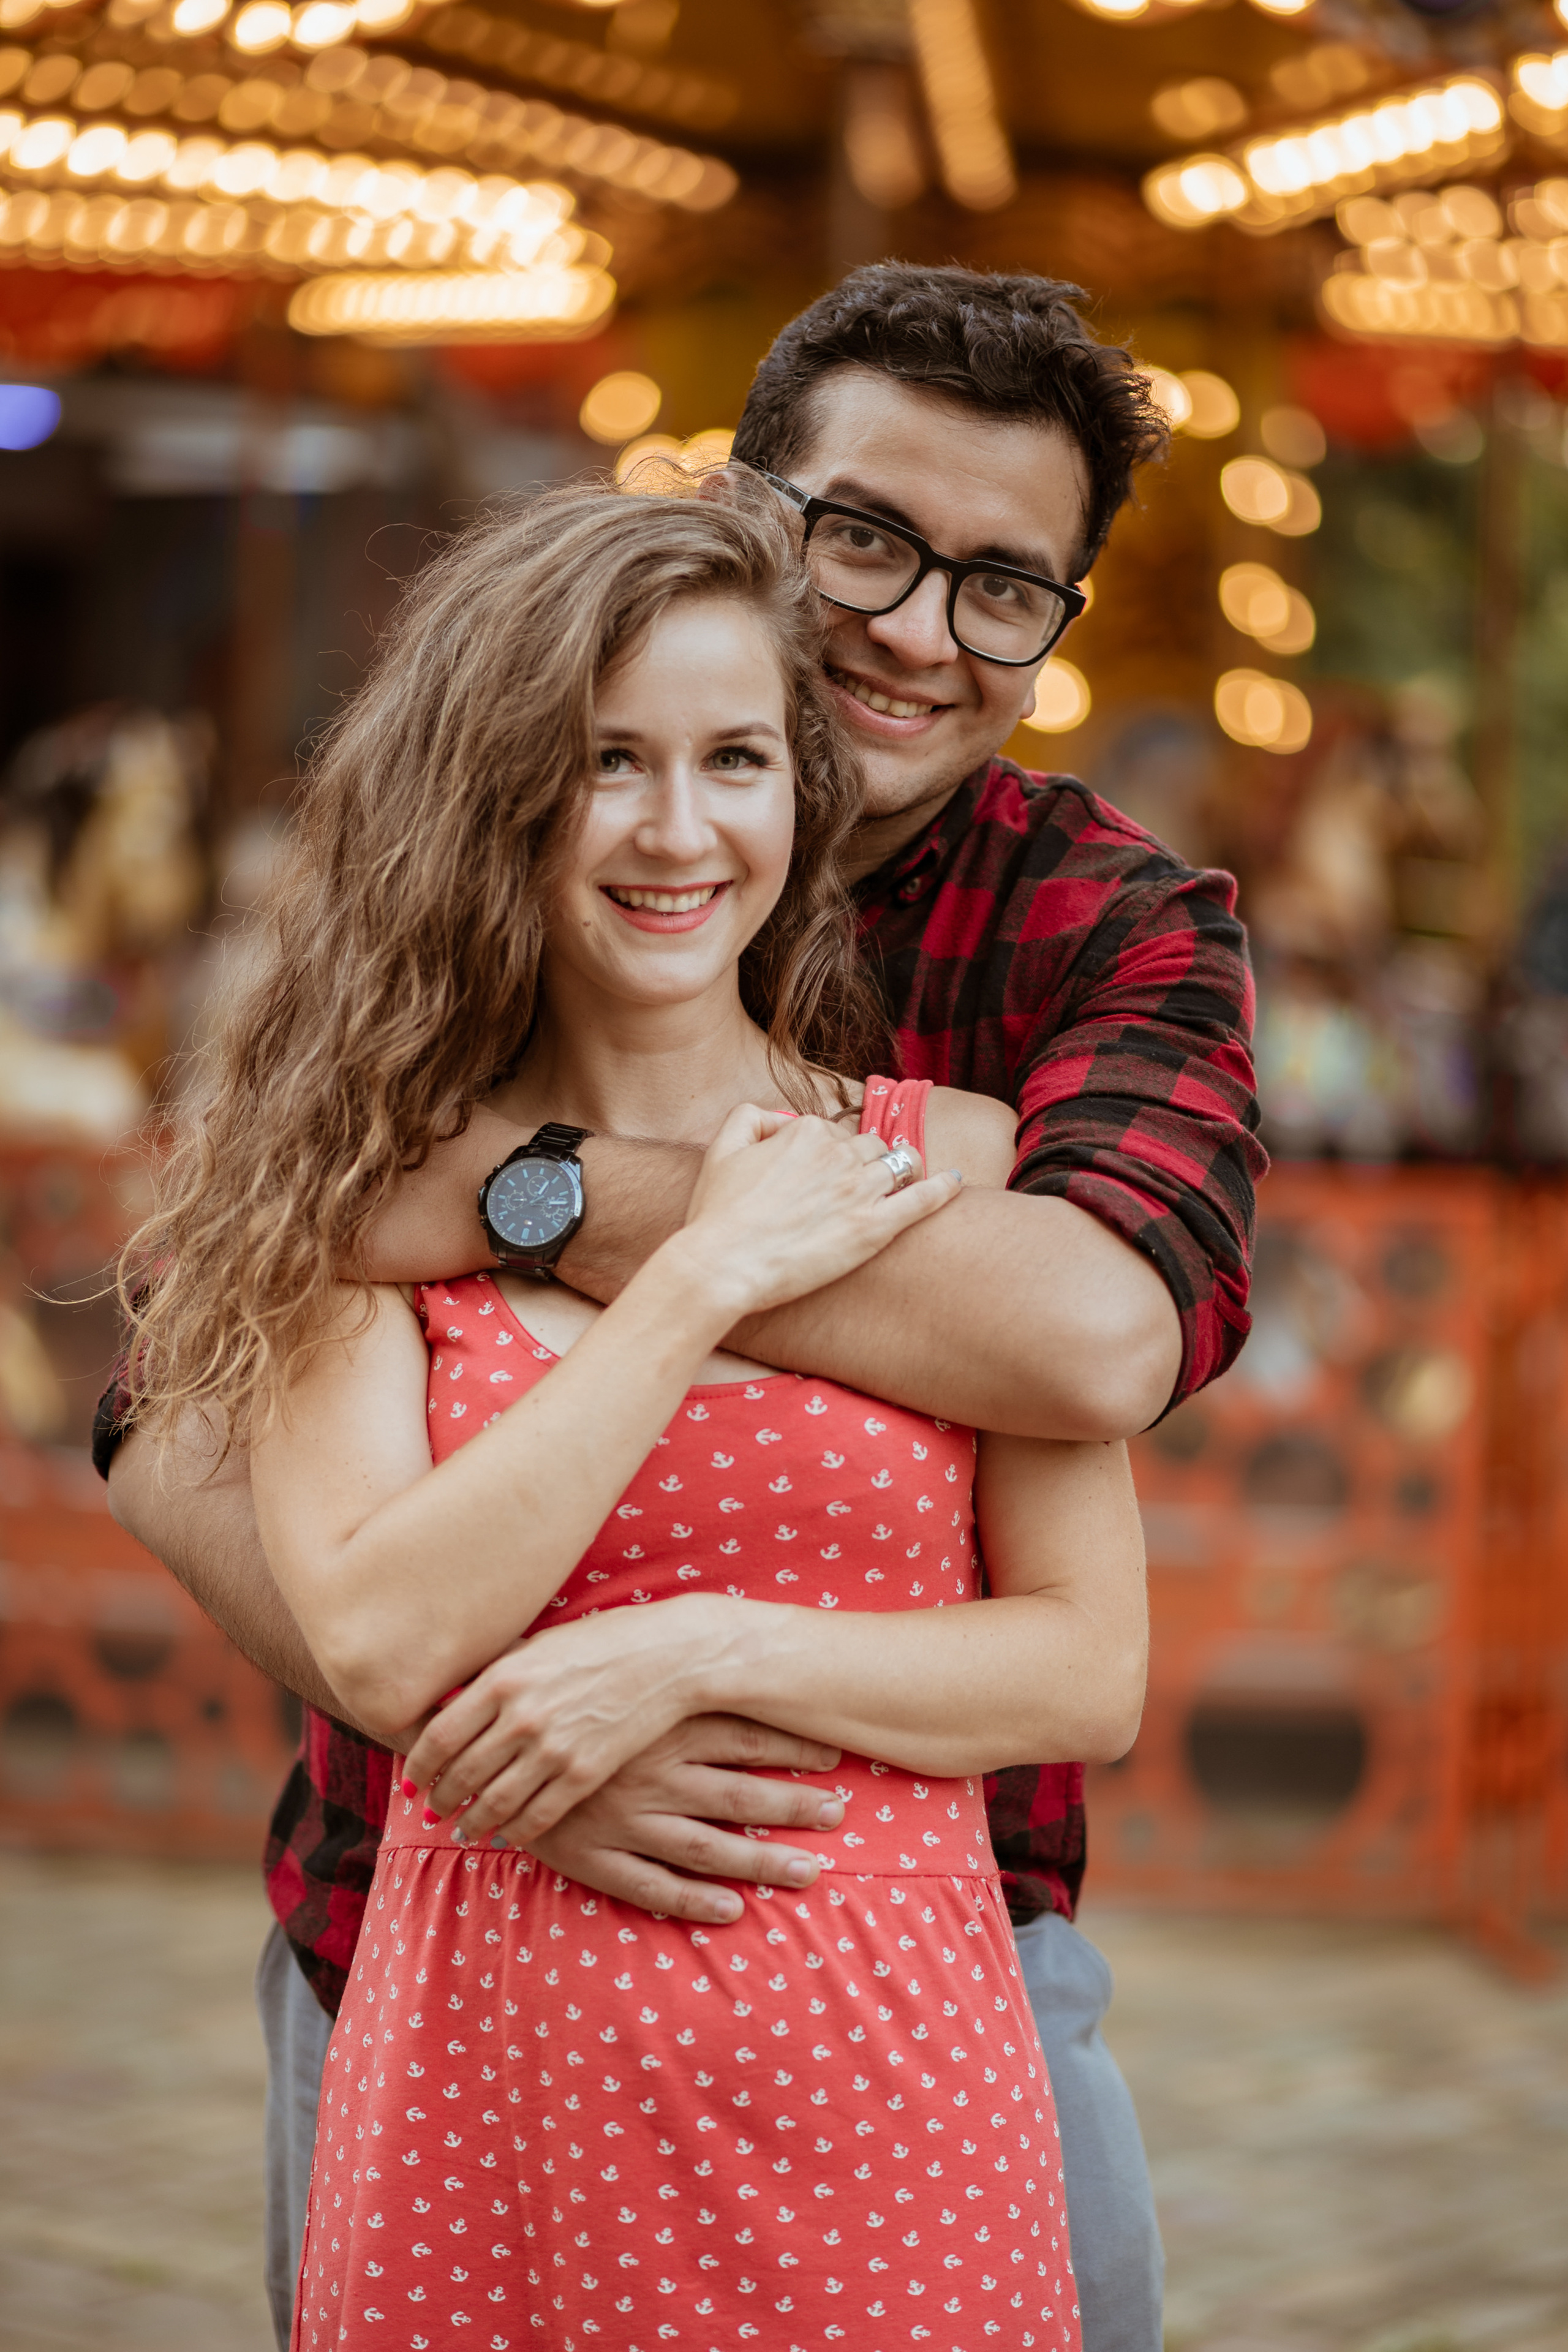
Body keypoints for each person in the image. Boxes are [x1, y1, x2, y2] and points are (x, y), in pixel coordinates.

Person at [100, 264, 1264, 2352]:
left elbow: (1092, 1343)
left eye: (1005, 584)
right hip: (429, 1915)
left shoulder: (1106, 936)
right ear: (750, 510)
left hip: (928, 1930)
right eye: (869, 539)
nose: (920, 629)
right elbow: (175, 1395)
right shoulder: (406, 998)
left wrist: (523, 1200)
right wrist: (494, 1737)